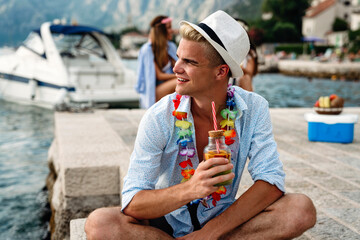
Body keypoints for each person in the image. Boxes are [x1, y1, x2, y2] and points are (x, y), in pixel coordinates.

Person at [85, 10, 316, 239]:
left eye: (189, 62)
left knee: (300, 210)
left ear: (221, 71)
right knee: (99, 224)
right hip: (166, 219)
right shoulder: (159, 116)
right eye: (178, 57)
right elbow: (132, 201)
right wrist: (191, 188)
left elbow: (271, 180)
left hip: (222, 219)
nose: (176, 68)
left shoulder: (254, 108)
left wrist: (209, 233)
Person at [135, 15, 178, 109]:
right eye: (169, 27)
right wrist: (180, 76)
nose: (172, 30)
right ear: (161, 31)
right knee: (179, 81)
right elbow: (159, 75)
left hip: (167, 86)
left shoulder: (171, 47)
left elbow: (178, 68)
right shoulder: (148, 50)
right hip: (154, 92)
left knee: (187, 83)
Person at [233, 18, 258, 92]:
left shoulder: (250, 53)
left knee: (245, 78)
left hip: (244, 86)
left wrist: (235, 66)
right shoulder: (229, 50)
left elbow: (250, 71)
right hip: (232, 86)